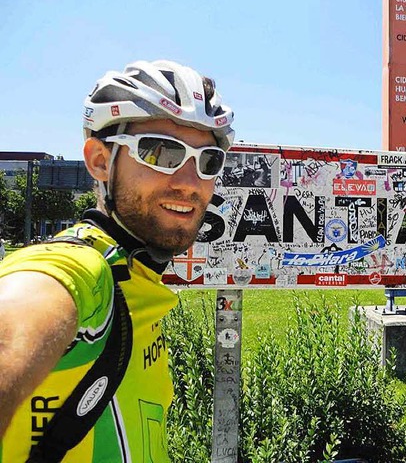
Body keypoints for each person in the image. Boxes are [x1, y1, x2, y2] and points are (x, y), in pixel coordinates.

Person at [0, 60, 234, 461]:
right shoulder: (78, 270)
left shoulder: (140, 280)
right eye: (161, 152)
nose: (190, 182)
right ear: (99, 161)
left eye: (208, 160)